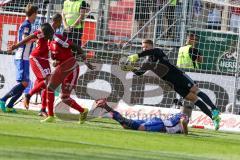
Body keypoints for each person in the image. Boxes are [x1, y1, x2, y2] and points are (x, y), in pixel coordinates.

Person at [125, 39, 221, 130]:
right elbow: (139, 73)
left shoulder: (158, 51)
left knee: (196, 91)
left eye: (146, 47)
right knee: (193, 99)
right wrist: (130, 68)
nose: (144, 49)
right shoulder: (147, 62)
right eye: (143, 47)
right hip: (172, 83)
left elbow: (150, 52)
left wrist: (137, 55)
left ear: (151, 46)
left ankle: (215, 109)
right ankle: (214, 119)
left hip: (179, 76)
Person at [8, 14, 62, 117]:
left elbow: (50, 47)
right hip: (37, 58)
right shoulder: (45, 29)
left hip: (44, 59)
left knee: (48, 85)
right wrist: (16, 45)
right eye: (60, 22)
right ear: (56, 21)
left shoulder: (54, 31)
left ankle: (43, 109)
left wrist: (53, 59)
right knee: (48, 81)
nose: (61, 24)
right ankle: (28, 95)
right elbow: (31, 37)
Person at [41, 33, 95, 123]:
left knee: (64, 97)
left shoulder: (58, 39)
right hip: (62, 68)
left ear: (47, 32)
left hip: (72, 69)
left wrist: (86, 61)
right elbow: (54, 58)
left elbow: (76, 47)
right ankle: (50, 116)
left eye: (42, 33)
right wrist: (54, 62)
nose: (41, 35)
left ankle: (83, 111)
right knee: (50, 88)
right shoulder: (49, 43)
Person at [0, 4, 38, 113]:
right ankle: (3, 100)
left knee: (25, 83)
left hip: (24, 57)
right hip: (22, 57)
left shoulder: (28, 24)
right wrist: (36, 38)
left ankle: (10, 105)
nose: (36, 16)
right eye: (36, 14)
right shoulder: (27, 25)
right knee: (25, 83)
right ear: (33, 13)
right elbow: (24, 39)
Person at [94, 98, 191, 135]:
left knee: (126, 125)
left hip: (158, 121)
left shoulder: (177, 114)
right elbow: (183, 121)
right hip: (161, 125)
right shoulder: (185, 116)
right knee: (141, 128)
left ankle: (106, 107)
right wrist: (186, 134)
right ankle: (108, 110)